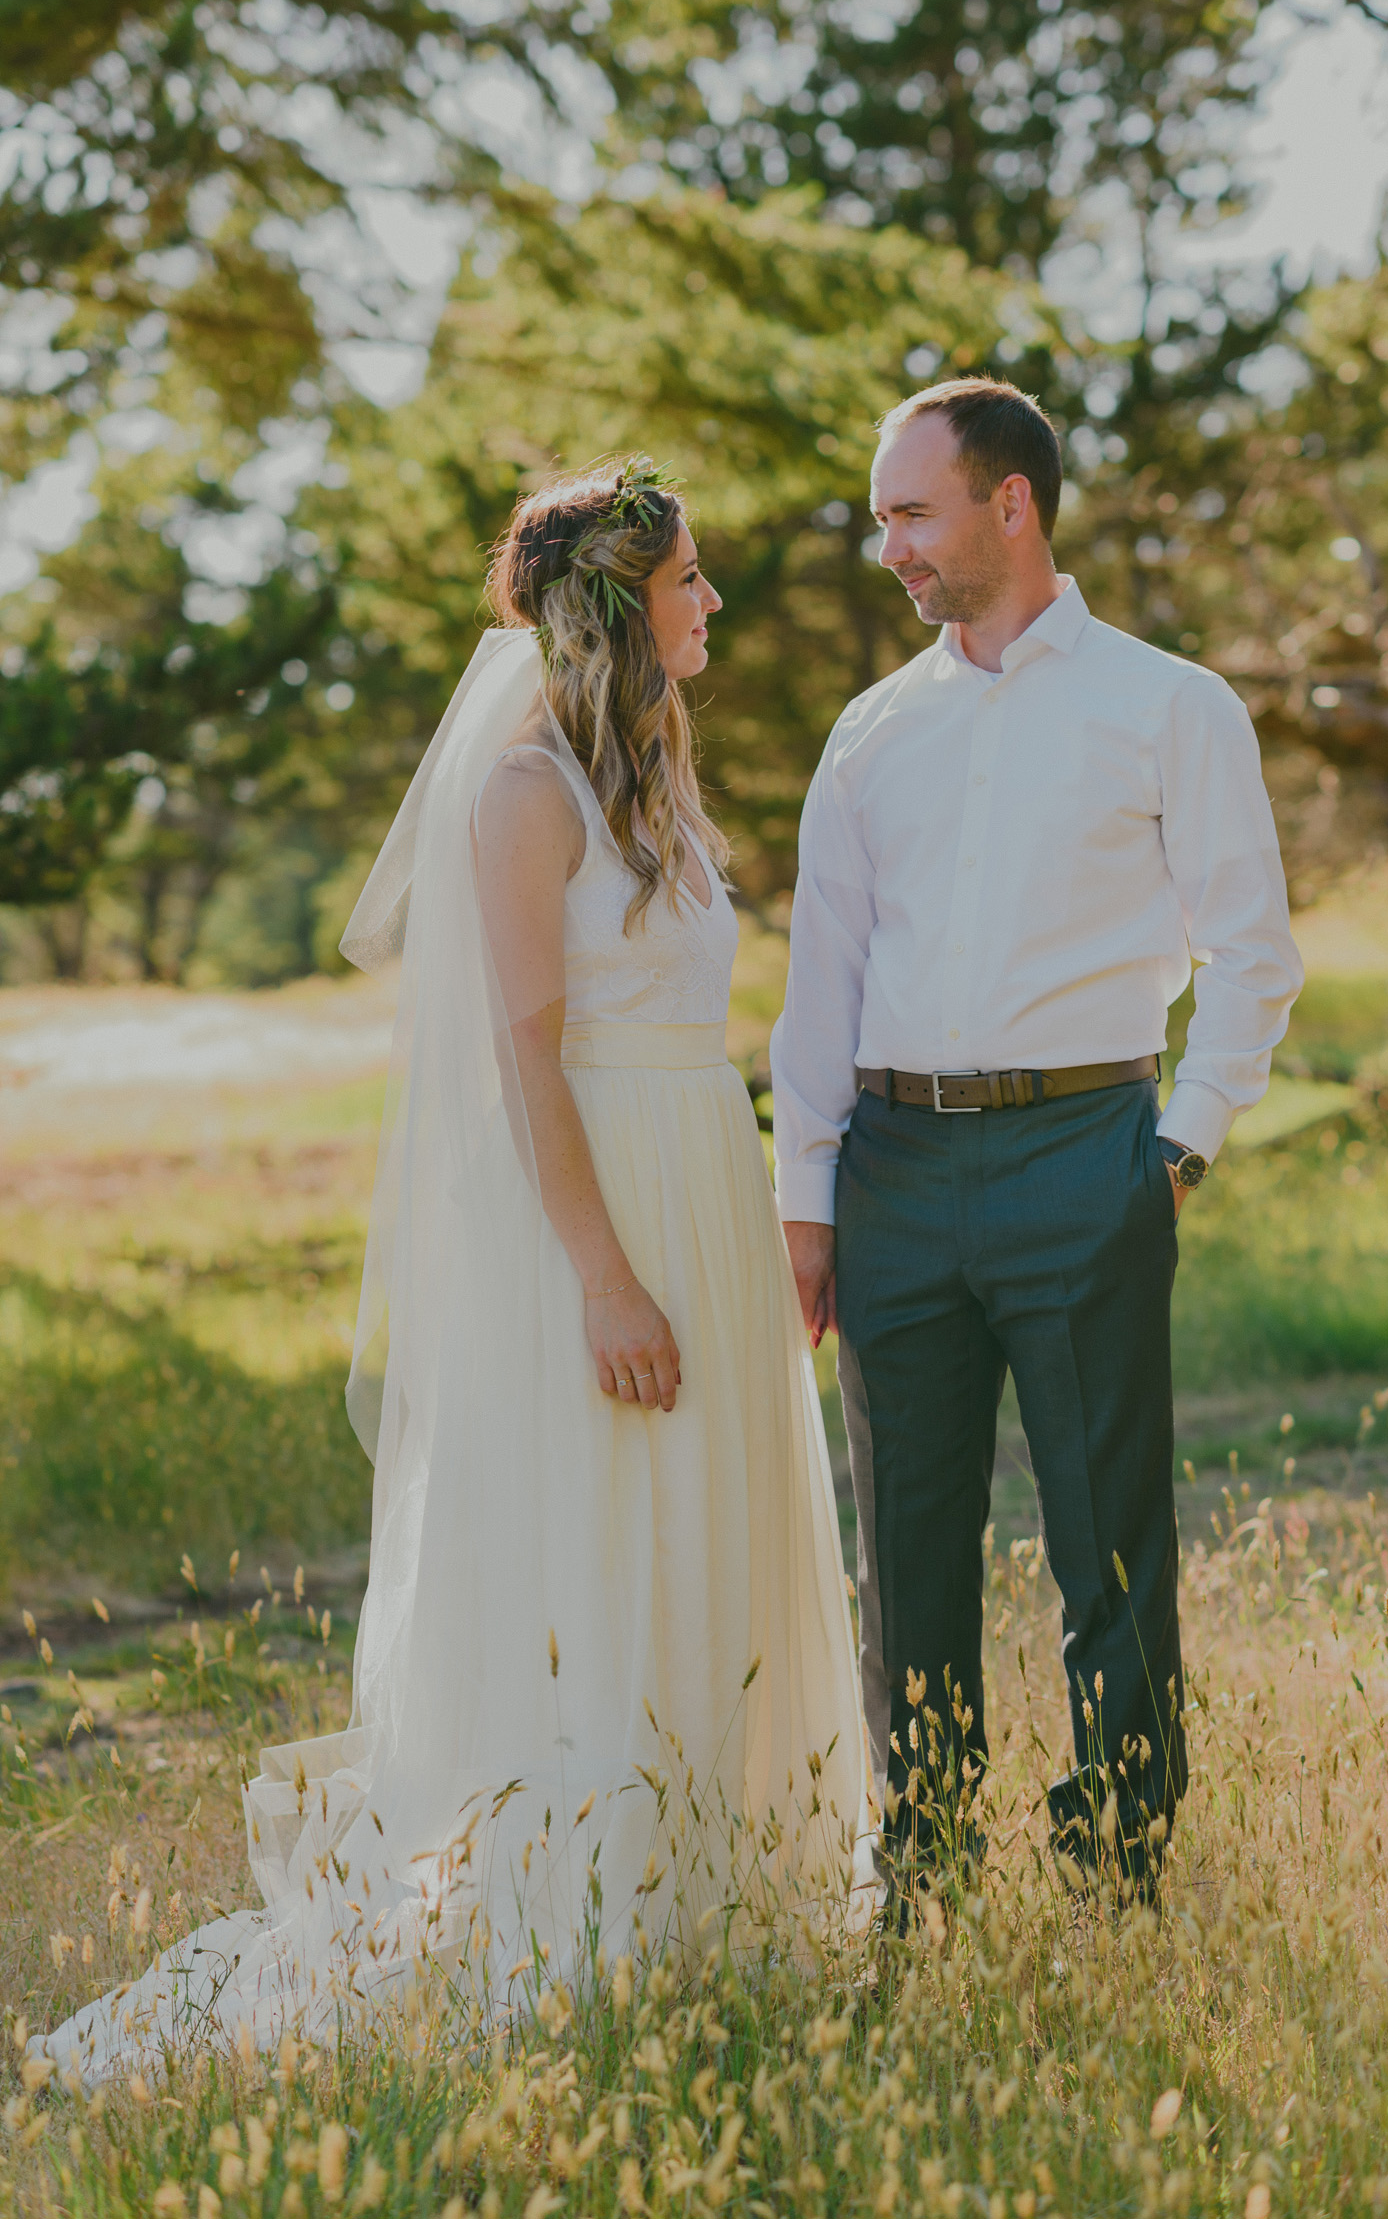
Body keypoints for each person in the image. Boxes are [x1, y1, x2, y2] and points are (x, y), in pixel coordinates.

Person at [33, 460, 872, 2086]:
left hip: (705, 1175)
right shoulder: (524, 796)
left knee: (712, 1532)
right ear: (625, 604)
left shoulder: (654, 780)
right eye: (691, 580)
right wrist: (605, 1279)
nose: (715, 604)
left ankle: (725, 1893)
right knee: (606, 1550)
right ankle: (590, 1916)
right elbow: (521, 1068)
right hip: (603, 1216)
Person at [771, 379, 1303, 1897]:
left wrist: (1178, 1148)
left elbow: (1252, 953)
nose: (890, 550)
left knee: (1108, 1544)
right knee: (910, 1550)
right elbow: (827, 979)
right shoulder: (871, 733)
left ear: (1014, 503)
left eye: (911, 514)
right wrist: (809, 1196)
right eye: (882, 519)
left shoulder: (1168, 705)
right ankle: (924, 1868)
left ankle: (1121, 1860)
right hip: (893, 1172)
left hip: (1090, 1158)